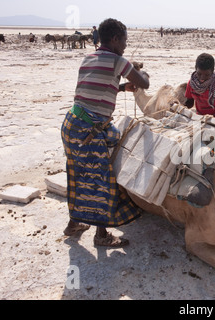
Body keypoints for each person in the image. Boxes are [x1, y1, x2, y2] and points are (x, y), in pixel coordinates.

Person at [61, 18, 150, 247]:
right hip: (88, 131)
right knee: (101, 181)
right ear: (114, 39)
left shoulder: (88, 58)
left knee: (79, 176)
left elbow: (92, 88)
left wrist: (120, 87)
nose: (125, 46)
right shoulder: (118, 61)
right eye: (124, 41)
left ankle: (73, 224)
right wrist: (141, 73)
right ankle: (101, 235)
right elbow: (145, 83)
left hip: (72, 124)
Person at [185, 53, 215, 120]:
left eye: (206, 75)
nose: (202, 78)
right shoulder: (192, 84)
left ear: (212, 71)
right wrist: (181, 108)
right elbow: (190, 102)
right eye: (199, 74)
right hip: (199, 118)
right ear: (196, 68)